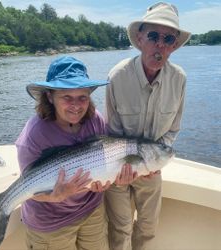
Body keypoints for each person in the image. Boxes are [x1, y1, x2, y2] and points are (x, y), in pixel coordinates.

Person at [104, 2, 191, 250]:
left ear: (174, 45)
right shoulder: (117, 76)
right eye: (153, 36)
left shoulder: (180, 79)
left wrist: (155, 160)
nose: (160, 45)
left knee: (148, 228)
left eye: (168, 38)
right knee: (120, 229)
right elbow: (112, 132)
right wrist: (127, 164)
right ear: (140, 39)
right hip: (117, 167)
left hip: (152, 167)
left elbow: (173, 128)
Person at [15, 56, 110, 250]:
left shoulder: (95, 120)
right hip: (50, 223)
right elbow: (27, 189)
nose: (76, 105)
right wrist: (55, 196)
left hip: (91, 210)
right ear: (50, 97)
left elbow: (102, 160)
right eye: (67, 97)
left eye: (82, 97)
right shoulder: (33, 135)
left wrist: (106, 180)